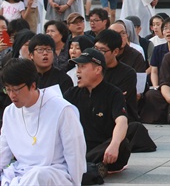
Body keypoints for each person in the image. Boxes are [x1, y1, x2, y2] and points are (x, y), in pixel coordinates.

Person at [0, 58, 86, 186]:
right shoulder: (10, 112)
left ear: (33, 85)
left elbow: (74, 152)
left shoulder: (61, 109)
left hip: (54, 172)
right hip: (21, 171)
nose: (12, 95)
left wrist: (75, 182)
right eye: (8, 89)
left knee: (39, 175)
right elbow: (3, 150)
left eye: (16, 89)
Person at [64, 48, 132, 176]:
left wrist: (114, 144)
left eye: (83, 66)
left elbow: (122, 121)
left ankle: (85, 165)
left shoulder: (113, 93)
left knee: (123, 143)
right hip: (80, 147)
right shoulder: (71, 94)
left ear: (97, 69)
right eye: (77, 66)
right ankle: (90, 166)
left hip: (105, 149)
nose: (77, 71)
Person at [95, 30, 139, 122]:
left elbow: (117, 100)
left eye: (102, 51)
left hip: (121, 118)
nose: (97, 54)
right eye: (95, 49)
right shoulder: (92, 69)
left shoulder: (127, 73)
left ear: (115, 52)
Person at [149, 17, 170, 88]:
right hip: (162, 85)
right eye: (165, 28)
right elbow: (154, 71)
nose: (168, 31)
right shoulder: (157, 49)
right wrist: (155, 86)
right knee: (150, 95)